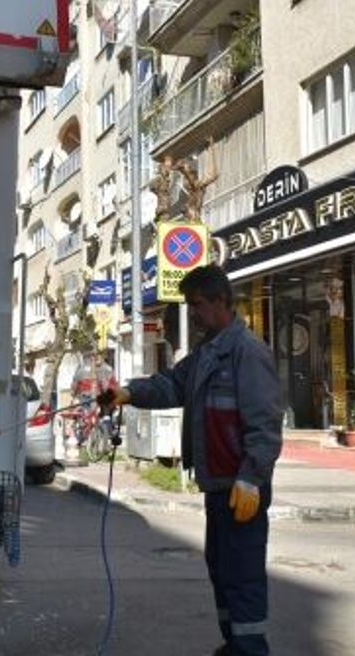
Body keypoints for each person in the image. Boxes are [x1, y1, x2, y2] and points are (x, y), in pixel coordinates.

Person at [98, 265, 281, 656]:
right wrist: (127, 393)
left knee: (242, 578)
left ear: (219, 301)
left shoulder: (246, 353)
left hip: (241, 488)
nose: (192, 314)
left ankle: (250, 651)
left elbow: (265, 427)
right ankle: (234, 645)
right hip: (218, 487)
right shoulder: (206, 353)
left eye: (196, 305)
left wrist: (252, 478)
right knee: (222, 573)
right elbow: (170, 385)